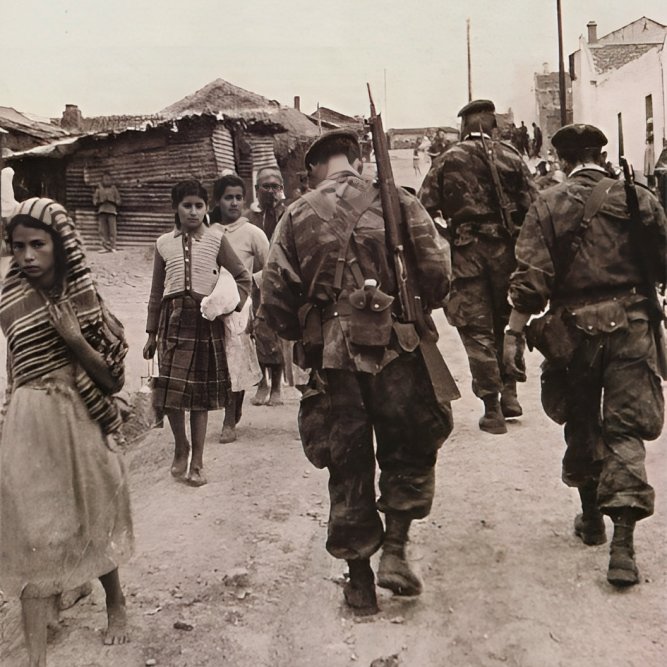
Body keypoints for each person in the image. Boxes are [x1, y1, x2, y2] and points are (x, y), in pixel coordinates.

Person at [261, 129, 455, 615]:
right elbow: (438, 272)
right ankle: (396, 550)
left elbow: (275, 295)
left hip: (332, 356)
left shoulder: (296, 214)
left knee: (347, 463)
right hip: (398, 347)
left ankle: (361, 583)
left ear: (313, 169)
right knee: (409, 448)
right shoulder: (399, 200)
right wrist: (409, 305)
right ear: (359, 159)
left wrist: (309, 332)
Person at [502, 124, 666, 587]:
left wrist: (513, 333)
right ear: (601, 154)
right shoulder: (638, 197)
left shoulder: (548, 203)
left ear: (562, 160)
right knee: (625, 429)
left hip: (574, 331)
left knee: (581, 420)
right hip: (632, 325)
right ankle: (623, 548)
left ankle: (591, 518)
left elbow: (531, 280)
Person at [0, 197, 134, 665]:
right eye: (18, 246)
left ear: (60, 245)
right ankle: (36, 656)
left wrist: (75, 338)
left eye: (38, 244)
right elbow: (15, 368)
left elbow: (112, 380)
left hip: (80, 417)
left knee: (93, 511)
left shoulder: (83, 299)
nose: (27, 256)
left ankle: (115, 601)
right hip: (29, 423)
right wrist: (8, 418)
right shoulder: (10, 299)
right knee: (32, 525)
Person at [419, 99, 537, 433]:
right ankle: (510, 392)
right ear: (494, 127)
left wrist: (448, 235)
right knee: (508, 322)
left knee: (476, 329)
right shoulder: (513, 157)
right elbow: (534, 207)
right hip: (507, 252)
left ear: (463, 127)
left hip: (466, 253)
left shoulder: (448, 159)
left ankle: (492, 408)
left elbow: (424, 208)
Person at [143, 180, 251, 486]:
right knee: (172, 393)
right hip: (172, 321)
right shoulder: (163, 243)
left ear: (207, 208)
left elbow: (243, 277)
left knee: (199, 397)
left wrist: (229, 304)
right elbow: (156, 292)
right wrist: (151, 333)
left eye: (199, 206)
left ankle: (198, 462)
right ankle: (181, 447)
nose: (193, 212)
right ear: (175, 208)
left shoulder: (216, 240)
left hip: (205, 322)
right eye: (186, 205)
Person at [210, 173, 269, 443]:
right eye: (228, 198)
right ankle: (230, 409)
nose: (234, 203)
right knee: (217, 361)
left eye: (238, 198)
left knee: (235, 359)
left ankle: (229, 420)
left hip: (240, 305)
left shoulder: (252, 233)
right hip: (211, 304)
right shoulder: (208, 232)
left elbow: (270, 267)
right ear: (217, 201)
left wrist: (251, 291)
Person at [244, 167, 289, 406]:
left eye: (275, 186)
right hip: (254, 282)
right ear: (256, 189)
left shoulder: (288, 214)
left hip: (280, 280)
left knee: (278, 330)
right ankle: (262, 382)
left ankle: (277, 386)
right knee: (258, 331)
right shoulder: (249, 218)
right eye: (266, 186)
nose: (271, 191)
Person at [92, 172, 121, 253]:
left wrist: (113, 201)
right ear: (102, 180)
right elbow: (94, 201)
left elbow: (119, 201)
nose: (107, 181)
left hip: (112, 211)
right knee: (102, 230)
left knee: (112, 230)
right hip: (102, 211)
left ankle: (113, 246)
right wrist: (100, 202)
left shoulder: (114, 189)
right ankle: (104, 247)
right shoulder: (99, 189)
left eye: (108, 179)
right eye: (105, 179)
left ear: (111, 180)